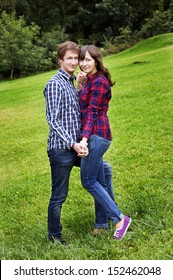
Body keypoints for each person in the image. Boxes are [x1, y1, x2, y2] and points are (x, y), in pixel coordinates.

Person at [43, 41, 114, 245]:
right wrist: (73, 144)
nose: (75, 62)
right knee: (59, 195)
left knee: (105, 170)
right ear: (60, 61)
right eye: (70, 59)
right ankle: (55, 237)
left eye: (76, 58)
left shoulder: (70, 81)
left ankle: (105, 218)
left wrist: (81, 86)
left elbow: (76, 108)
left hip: (76, 146)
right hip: (61, 149)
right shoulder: (55, 84)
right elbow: (53, 120)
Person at [77, 45, 131, 240]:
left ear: (97, 61)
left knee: (89, 181)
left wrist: (83, 140)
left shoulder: (99, 81)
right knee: (98, 179)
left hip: (97, 136)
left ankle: (119, 218)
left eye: (88, 60)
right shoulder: (90, 79)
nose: (83, 63)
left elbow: (91, 112)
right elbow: (81, 105)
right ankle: (102, 223)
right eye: (82, 59)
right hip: (94, 135)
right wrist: (80, 85)